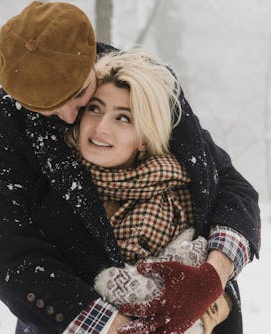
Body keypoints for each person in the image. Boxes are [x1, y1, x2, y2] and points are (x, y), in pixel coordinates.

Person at [0, 2, 261, 334]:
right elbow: (6, 244)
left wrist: (211, 277)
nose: (68, 117)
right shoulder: (3, 125)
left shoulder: (143, 82)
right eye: (46, 109)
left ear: (89, 58)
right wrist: (112, 327)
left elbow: (228, 184)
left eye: (79, 96)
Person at [66, 49, 236, 334]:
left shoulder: (178, 196)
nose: (100, 127)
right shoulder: (53, 184)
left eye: (123, 118)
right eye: (94, 109)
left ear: (144, 138)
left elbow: (203, 294)